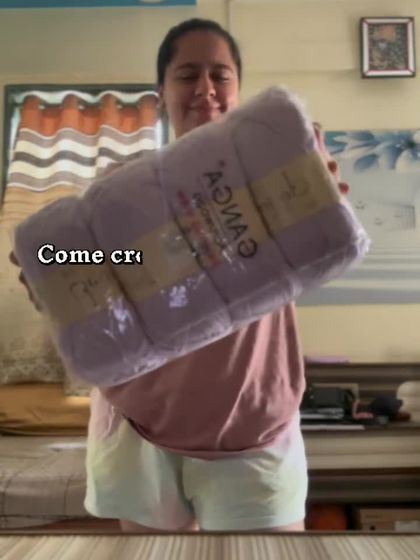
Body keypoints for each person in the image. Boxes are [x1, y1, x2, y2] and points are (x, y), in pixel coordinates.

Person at [11, 18, 346, 533]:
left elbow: (315, 254)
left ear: (238, 89)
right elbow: (112, 268)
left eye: (220, 75)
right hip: (139, 425)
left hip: (252, 418)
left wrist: (324, 208)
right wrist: (52, 269)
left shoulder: (278, 168)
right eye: (188, 75)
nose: (205, 89)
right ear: (161, 94)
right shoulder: (121, 189)